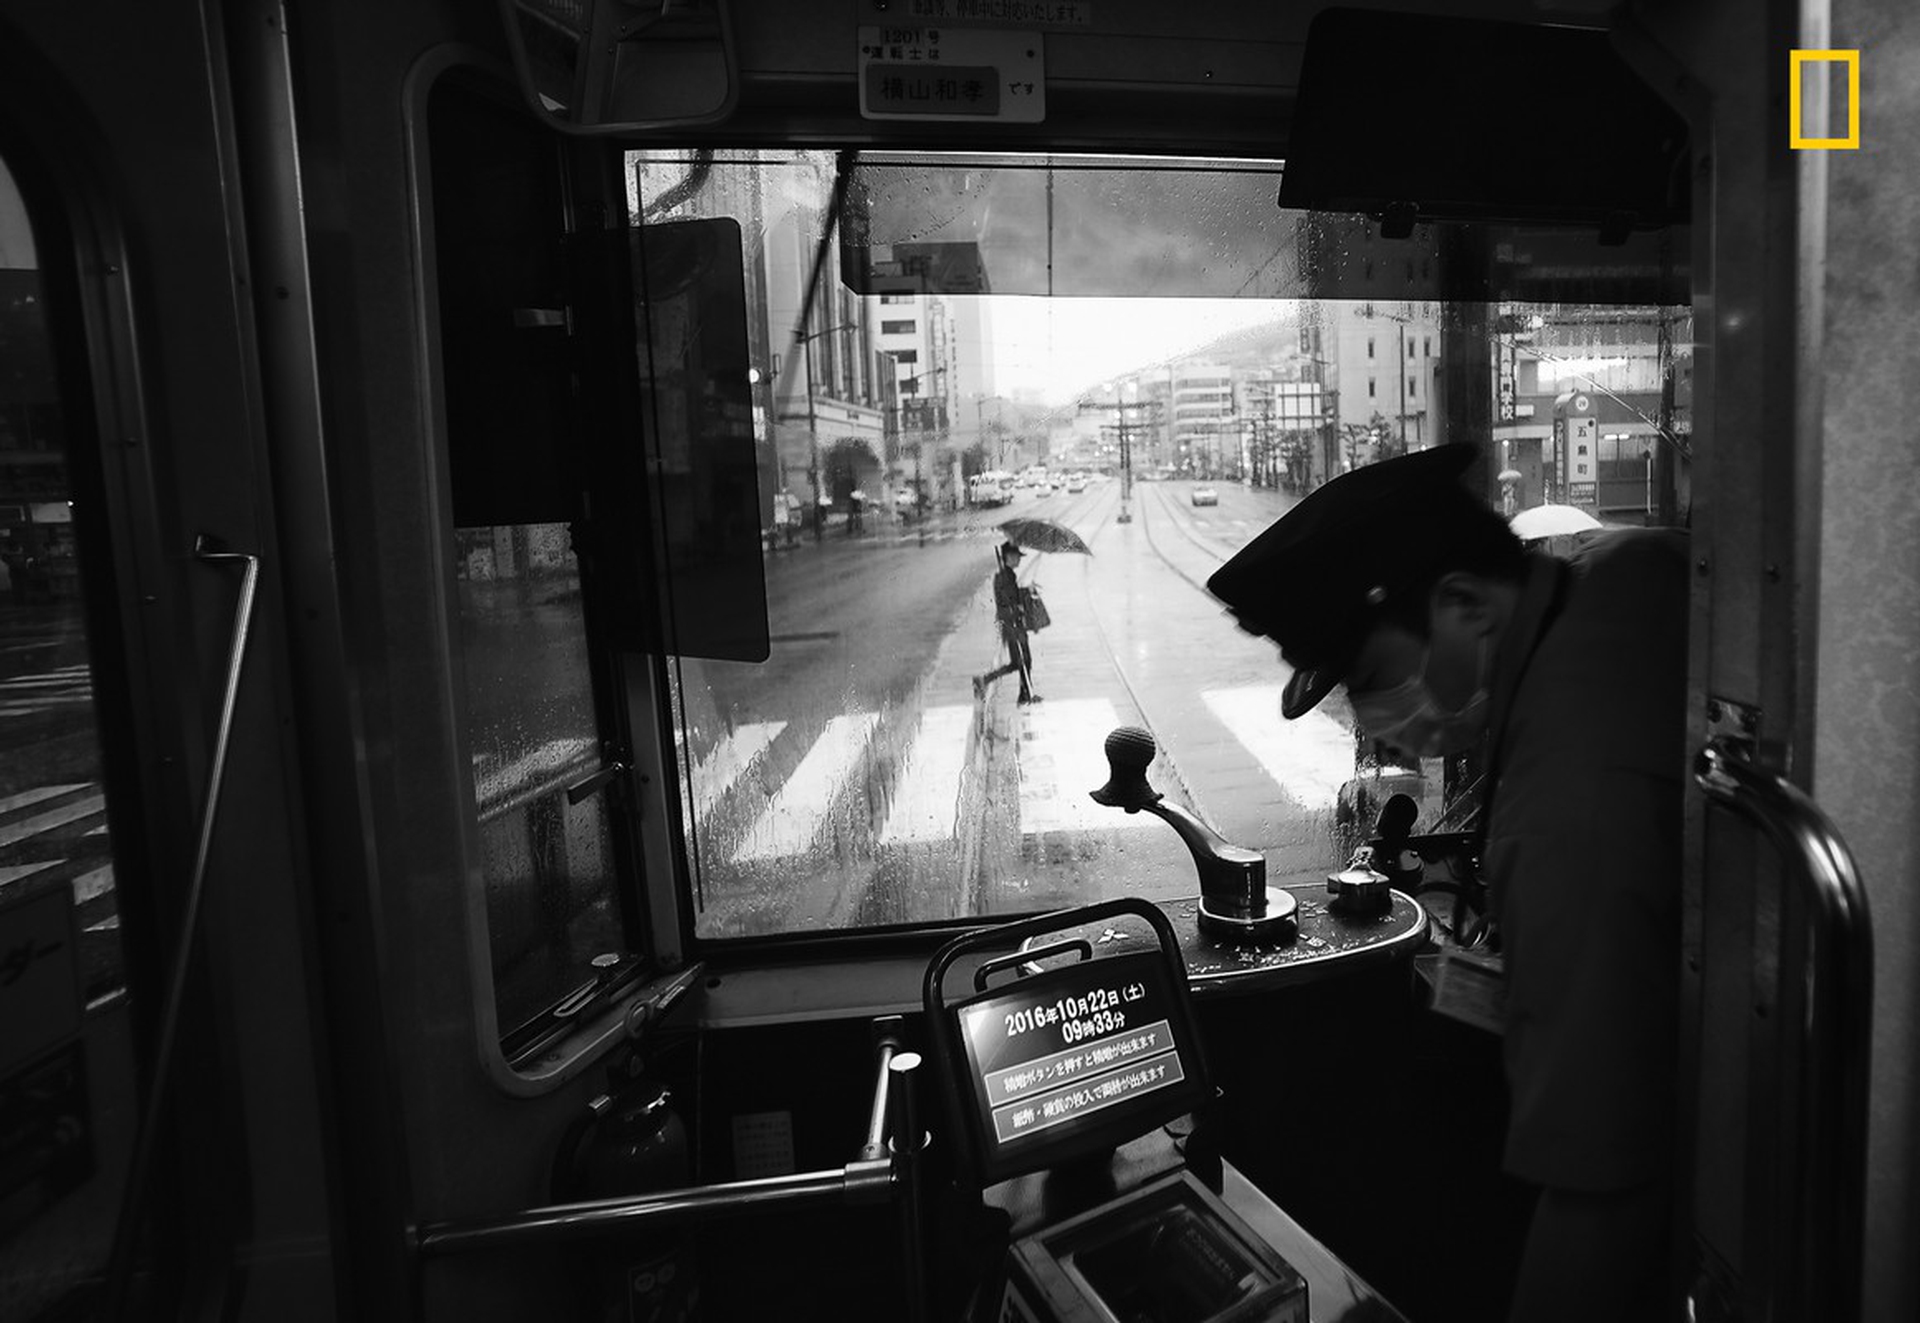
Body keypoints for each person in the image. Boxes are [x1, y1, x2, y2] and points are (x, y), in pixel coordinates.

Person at [1205, 444, 1687, 1323]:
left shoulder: (1566, 812)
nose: (1370, 716)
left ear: (1465, 602)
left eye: (1368, 678)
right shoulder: (1620, 568)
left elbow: (1602, 1188)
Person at [972, 541, 1038, 704]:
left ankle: (1021, 693)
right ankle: (1023, 695)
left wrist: (1026, 591)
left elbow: (1011, 596)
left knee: (1020, 662)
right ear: (1009, 556)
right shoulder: (1004, 576)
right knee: (1023, 660)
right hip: (1012, 625)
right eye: (1017, 556)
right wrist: (1019, 610)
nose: (1020, 560)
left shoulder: (1007, 575)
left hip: (1012, 624)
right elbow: (1006, 603)